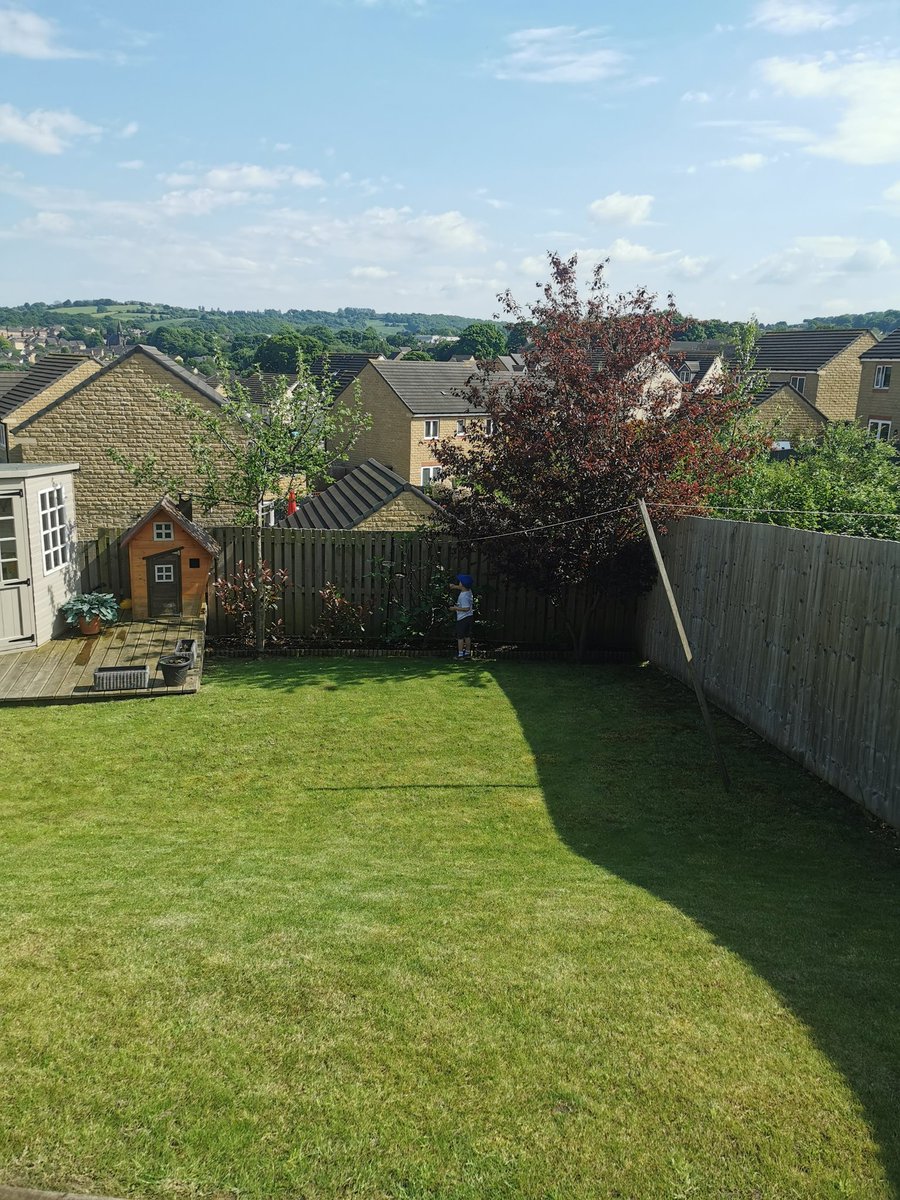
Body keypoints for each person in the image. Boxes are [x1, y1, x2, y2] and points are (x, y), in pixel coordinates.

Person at [450, 573, 474, 660]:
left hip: (463, 618)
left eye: (460, 582)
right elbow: (461, 587)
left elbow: (466, 608)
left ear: (462, 584)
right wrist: (454, 586)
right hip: (469, 617)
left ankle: (460, 655)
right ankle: (467, 653)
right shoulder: (468, 591)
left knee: (460, 637)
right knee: (467, 636)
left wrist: (455, 608)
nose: (458, 583)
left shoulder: (464, 596)